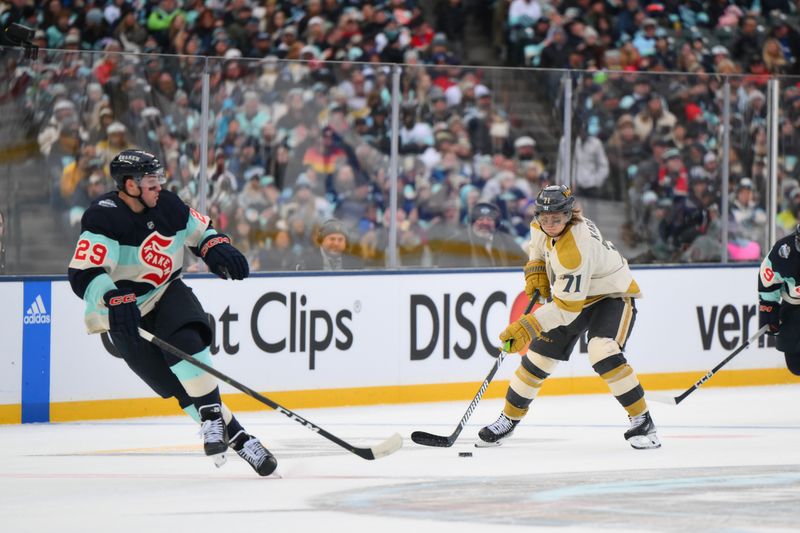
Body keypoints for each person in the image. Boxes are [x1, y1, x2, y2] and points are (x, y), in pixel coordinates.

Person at [67, 149, 277, 476]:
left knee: (188, 343)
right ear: (129, 185)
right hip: (124, 312)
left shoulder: (168, 204)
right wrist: (112, 298)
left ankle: (212, 418)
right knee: (178, 387)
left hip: (166, 292)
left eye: (158, 178)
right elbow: (85, 272)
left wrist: (215, 247)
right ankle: (239, 437)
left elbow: (201, 231)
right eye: (151, 180)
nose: (158, 186)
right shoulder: (104, 217)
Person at [478, 185, 660, 450]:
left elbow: (566, 308)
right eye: (545, 217)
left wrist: (527, 327)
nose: (550, 224)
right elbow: (537, 244)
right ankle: (508, 419)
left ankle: (643, 421)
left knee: (603, 351)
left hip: (611, 295)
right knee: (537, 359)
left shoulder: (573, 247)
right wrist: (536, 267)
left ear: (568, 216)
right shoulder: (540, 224)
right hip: (575, 295)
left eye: (557, 219)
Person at [758, 223, 800, 376]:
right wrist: (768, 308)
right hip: (793, 306)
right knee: (795, 365)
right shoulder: (784, 251)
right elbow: (768, 279)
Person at [433, 202, 527, 268]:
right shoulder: (454, 244)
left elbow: (524, 265)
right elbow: (446, 272)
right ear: (473, 222)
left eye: (489, 219)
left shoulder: (508, 242)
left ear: (496, 223)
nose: (485, 223)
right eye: (481, 219)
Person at [298, 218, 363, 270]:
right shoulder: (306, 261)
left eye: (340, 240)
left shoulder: (355, 263)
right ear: (321, 240)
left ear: (346, 243)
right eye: (332, 239)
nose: (336, 243)